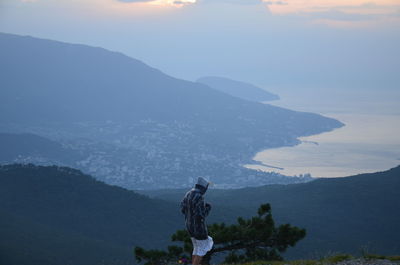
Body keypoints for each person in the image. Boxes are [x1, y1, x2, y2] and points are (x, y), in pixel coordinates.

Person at [180, 177, 213, 265]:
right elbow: (201, 215)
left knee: (196, 248)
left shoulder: (188, 193)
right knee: (202, 248)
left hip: (189, 225)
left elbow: (183, 209)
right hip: (198, 227)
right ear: (203, 187)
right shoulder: (199, 197)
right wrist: (208, 208)